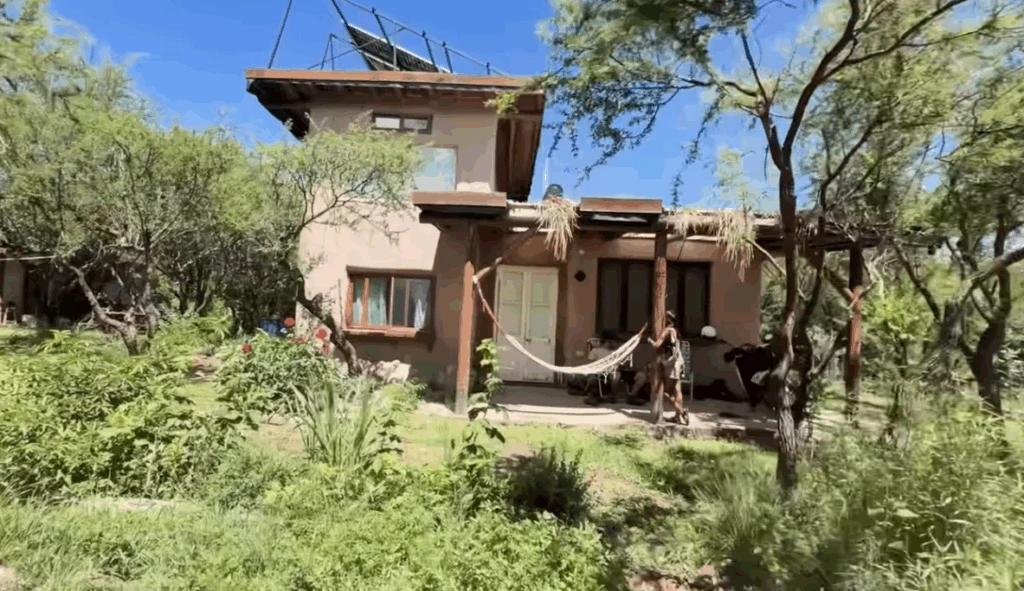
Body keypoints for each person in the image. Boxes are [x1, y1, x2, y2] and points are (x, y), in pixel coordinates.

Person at [647, 310, 690, 425]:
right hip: (679, 362)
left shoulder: (667, 330)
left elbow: (656, 345)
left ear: (669, 319)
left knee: (664, 392)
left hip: (671, 364)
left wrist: (649, 340)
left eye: (665, 317)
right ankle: (677, 417)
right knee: (677, 391)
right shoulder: (676, 331)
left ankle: (681, 412)